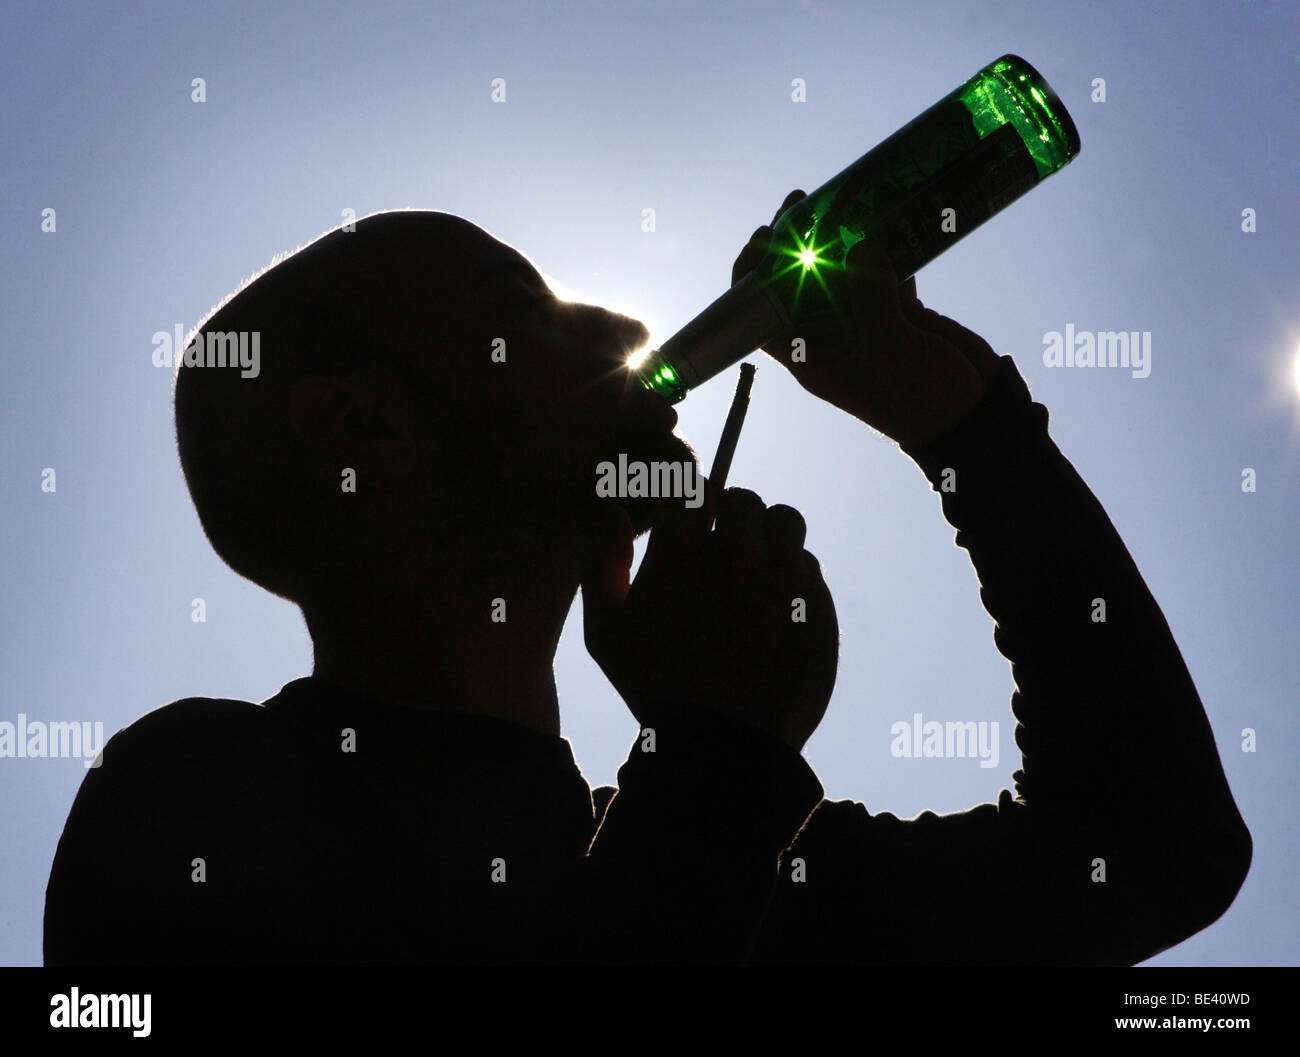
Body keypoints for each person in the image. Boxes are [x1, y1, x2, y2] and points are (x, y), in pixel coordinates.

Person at [44, 196, 1251, 965]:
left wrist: (969, 433)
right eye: (518, 309)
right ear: (364, 424)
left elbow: (1155, 852)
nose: (624, 325)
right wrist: (719, 749)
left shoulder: (740, 862)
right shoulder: (189, 801)